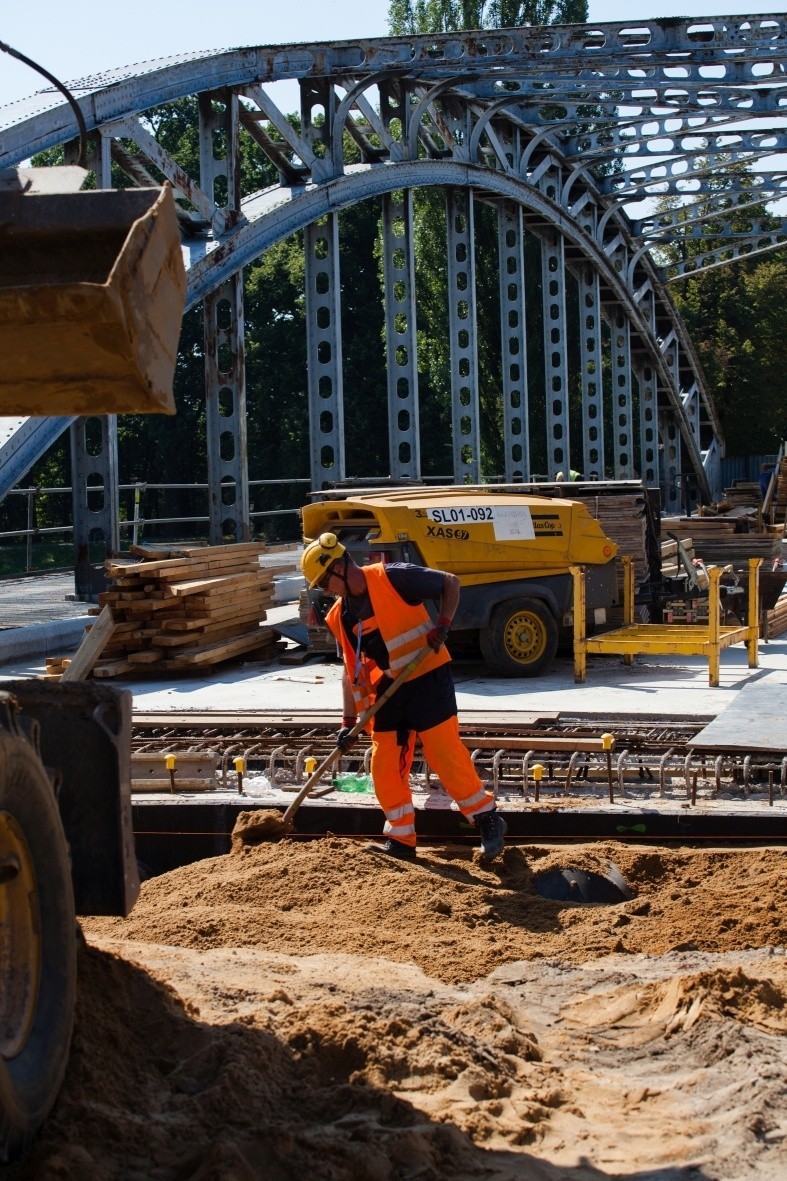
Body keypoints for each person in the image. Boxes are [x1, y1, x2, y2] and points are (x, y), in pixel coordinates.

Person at [300, 532, 507, 863]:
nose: (326, 591)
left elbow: (450, 584)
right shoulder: (341, 615)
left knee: (443, 753)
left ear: (338, 567)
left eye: (325, 582)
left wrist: (443, 625)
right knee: (383, 765)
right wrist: (348, 722)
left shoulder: (392, 576)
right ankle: (401, 840)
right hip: (391, 689)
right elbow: (348, 670)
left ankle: (487, 818)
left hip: (427, 677)